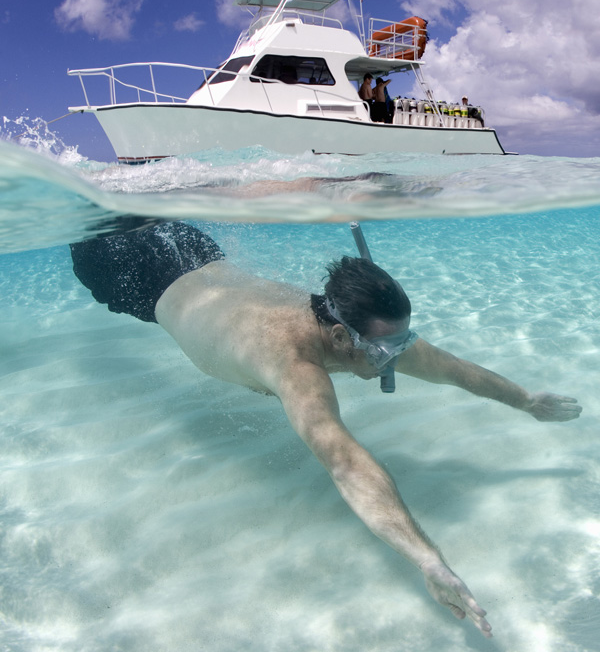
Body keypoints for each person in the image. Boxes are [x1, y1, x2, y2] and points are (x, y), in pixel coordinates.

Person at [70, 221, 582, 638]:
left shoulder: (369, 331)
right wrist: (427, 559)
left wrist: (526, 401)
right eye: (386, 352)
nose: (395, 360)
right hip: (134, 276)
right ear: (340, 335)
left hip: (194, 248)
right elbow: (344, 462)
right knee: (87, 214)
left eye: (404, 344)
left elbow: (449, 367)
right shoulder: (295, 366)